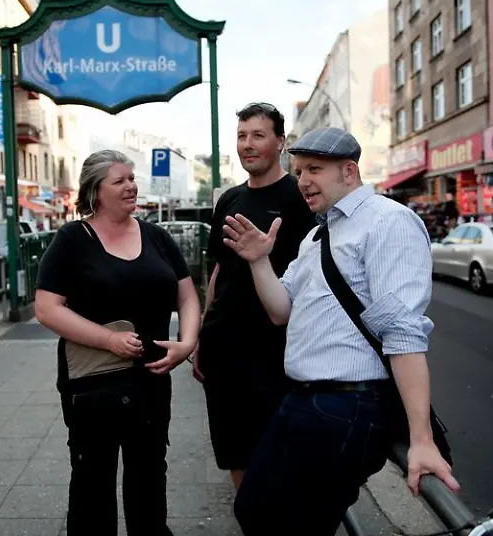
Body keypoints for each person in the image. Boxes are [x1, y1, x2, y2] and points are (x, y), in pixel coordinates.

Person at [223, 127, 459, 536]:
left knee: (293, 525)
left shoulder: (389, 222)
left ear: (349, 171)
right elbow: (281, 311)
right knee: (252, 507)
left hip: (349, 405)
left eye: (315, 168)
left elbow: (403, 335)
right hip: (302, 398)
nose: (303, 181)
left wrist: (421, 439)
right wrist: (259, 262)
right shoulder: (318, 235)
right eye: (298, 171)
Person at [34, 149, 201, 536]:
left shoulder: (157, 236)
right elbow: (46, 308)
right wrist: (109, 338)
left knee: (149, 474)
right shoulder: (72, 240)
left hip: (152, 378)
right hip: (93, 383)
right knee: (93, 477)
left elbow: (188, 297)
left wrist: (187, 342)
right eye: (119, 180)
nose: (131, 186)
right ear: (96, 191)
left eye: (131, 178)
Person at [193, 102, 317, 491]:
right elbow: (219, 271)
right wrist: (201, 336)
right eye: (242, 136)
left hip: (277, 351)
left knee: (281, 454)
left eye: (258, 136)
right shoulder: (229, 200)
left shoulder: (301, 198)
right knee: (236, 453)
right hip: (223, 349)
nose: (248, 145)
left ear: (281, 142)